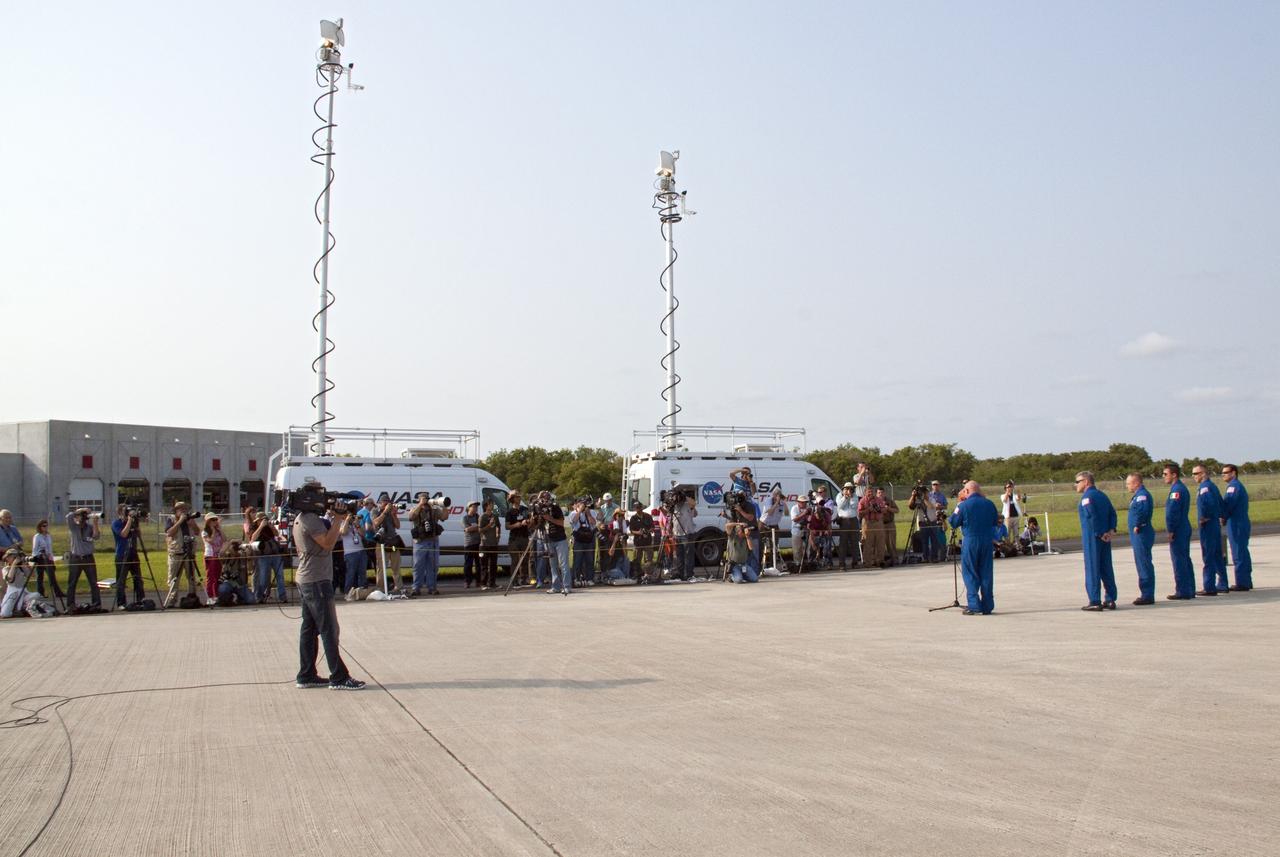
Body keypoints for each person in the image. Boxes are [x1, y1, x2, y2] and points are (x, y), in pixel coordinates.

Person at [291, 486, 364, 690]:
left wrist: (334, 517)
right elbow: (327, 543)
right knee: (329, 629)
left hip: (308, 579)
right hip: (316, 580)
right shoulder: (310, 519)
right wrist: (339, 518)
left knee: (310, 629)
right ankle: (339, 677)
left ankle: (306, 675)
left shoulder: (303, 517)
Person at [948, 481, 999, 614]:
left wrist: (959, 503)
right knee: (986, 573)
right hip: (987, 541)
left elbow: (953, 522)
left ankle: (974, 605)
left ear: (967, 491)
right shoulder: (989, 503)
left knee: (970, 572)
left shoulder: (963, 505)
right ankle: (987, 605)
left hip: (971, 541)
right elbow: (995, 521)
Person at [1076, 471, 1118, 611]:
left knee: (1093, 568)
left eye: (1078, 481)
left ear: (1086, 482)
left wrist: (1100, 533)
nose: (1076, 484)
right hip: (1105, 537)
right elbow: (1112, 513)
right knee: (1106, 568)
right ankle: (1110, 599)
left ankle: (1095, 600)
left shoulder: (1086, 498)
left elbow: (1091, 516)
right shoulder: (1102, 495)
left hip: (1093, 538)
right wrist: (1110, 530)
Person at [1191, 464, 1228, 596]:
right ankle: (1223, 583)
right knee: (1217, 555)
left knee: (1208, 556)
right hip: (1214, 524)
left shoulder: (1205, 487)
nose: (1194, 476)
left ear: (1203, 473)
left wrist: (1205, 517)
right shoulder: (1211, 486)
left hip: (1208, 525)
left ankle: (1209, 586)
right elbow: (1221, 503)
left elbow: (1210, 503)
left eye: (1196, 473)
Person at [1162, 463, 1196, 600]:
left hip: (1179, 528)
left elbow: (1173, 512)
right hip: (1183, 526)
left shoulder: (1177, 490)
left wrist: (1171, 530)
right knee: (1184, 558)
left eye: (1165, 474)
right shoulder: (1180, 488)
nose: (1163, 477)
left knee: (1179, 560)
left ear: (1174, 474)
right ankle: (1189, 588)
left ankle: (1183, 590)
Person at [1220, 464, 1252, 591]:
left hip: (1236, 523)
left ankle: (1242, 582)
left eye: (1226, 472)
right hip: (1239, 521)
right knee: (1242, 551)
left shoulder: (1233, 487)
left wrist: (1223, 517)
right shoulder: (1235, 486)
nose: (1223, 475)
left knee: (1238, 552)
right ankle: (1246, 580)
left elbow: (1229, 505)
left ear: (1233, 473)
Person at [1124, 474, 1156, 604]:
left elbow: (1143, 511)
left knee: (1144, 563)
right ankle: (1146, 593)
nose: (1127, 486)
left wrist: (1138, 524)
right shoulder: (1138, 495)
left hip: (1142, 533)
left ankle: (1147, 594)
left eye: (1129, 483)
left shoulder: (1142, 495)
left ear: (1136, 483)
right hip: (1138, 533)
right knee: (1141, 562)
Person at [409, 493, 446, 596]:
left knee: (433, 566)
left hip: (433, 541)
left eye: (427, 498)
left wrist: (444, 506)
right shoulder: (415, 508)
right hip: (420, 542)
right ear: (419, 500)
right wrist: (420, 505)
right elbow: (411, 517)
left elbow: (444, 517)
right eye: (423, 498)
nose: (426, 500)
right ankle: (416, 588)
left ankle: (432, 587)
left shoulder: (434, 509)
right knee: (418, 565)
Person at [65, 507, 102, 611]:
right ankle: (70, 604)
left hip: (88, 558)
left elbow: (96, 536)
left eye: (84, 517)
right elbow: (68, 516)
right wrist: (81, 510)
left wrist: (95, 522)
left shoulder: (89, 527)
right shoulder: (73, 527)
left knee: (93, 582)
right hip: (75, 557)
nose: (82, 519)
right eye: (81, 516)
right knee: (72, 583)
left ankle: (96, 603)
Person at [2, 549, 57, 618]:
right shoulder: (6, 568)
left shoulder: (21, 567)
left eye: (16, 557)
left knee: (36, 595)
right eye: (14, 557)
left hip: (23, 592)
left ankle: (28, 608)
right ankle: (20, 609)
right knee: (5, 614)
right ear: (7, 558)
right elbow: (9, 579)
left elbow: (32, 575)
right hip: (12, 593)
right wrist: (14, 565)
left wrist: (25, 564)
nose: (16, 558)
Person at [109, 506, 145, 609]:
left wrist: (136, 523)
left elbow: (138, 535)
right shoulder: (116, 523)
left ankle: (141, 599)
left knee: (138, 578)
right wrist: (129, 521)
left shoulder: (133, 522)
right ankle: (121, 602)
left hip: (133, 554)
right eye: (126, 512)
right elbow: (124, 534)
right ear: (120, 513)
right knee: (121, 580)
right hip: (121, 555)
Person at [535, 491, 570, 595]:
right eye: (543, 498)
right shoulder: (541, 509)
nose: (544, 500)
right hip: (549, 539)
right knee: (552, 565)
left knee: (563, 564)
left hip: (560, 539)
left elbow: (561, 522)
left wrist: (549, 518)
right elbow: (536, 512)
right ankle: (556, 586)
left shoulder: (555, 507)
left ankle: (567, 586)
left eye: (546, 498)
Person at [251, 512, 288, 603]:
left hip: (275, 554)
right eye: (261, 520)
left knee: (280, 576)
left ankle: (282, 597)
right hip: (263, 556)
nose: (264, 521)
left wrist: (271, 526)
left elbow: (277, 534)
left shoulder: (269, 527)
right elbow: (252, 538)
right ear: (257, 521)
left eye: (265, 519)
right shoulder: (255, 528)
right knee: (263, 578)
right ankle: (259, 596)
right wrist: (261, 526)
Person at [338, 503, 368, 601]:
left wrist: (357, 525)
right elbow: (343, 532)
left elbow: (363, 534)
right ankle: (347, 593)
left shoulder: (355, 524)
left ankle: (362, 592)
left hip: (361, 551)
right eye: (348, 515)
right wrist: (346, 520)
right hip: (350, 553)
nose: (350, 517)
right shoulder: (341, 523)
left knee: (362, 573)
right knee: (351, 573)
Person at [372, 496, 402, 591]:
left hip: (392, 543)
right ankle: (380, 588)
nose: (387, 505)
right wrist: (385, 512)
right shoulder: (375, 511)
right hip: (382, 543)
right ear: (380, 503)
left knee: (395, 565)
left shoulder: (391, 512)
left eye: (388, 503)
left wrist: (394, 514)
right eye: (385, 503)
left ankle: (399, 587)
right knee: (381, 566)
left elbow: (398, 526)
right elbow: (375, 523)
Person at [31, 519, 64, 604]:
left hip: (48, 558)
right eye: (43, 526)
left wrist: (51, 559)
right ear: (40, 527)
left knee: (52, 576)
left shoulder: (48, 536)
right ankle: (40, 593)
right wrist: (38, 556)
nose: (45, 528)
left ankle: (58, 592)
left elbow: (50, 549)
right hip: (40, 558)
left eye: (46, 526)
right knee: (40, 577)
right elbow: (35, 549)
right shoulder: (37, 536)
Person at [215, 541, 258, 606]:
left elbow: (250, 569)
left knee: (251, 600)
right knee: (223, 589)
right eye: (234, 549)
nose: (235, 551)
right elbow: (221, 552)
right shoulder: (226, 557)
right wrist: (231, 542)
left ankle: (240, 599)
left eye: (237, 549)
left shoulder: (243, 557)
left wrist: (249, 555)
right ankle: (227, 598)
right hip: (228, 582)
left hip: (241, 584)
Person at [505, 491, 532, 587]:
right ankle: (514, 581)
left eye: (519, 497)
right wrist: (516, 525)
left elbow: (530, 519)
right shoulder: (509, 512)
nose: (519, 498)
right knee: (515, 560)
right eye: (517, 497)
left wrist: (528, 521)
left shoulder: (524, 509)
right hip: (514, 539)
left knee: (525, 559)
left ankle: (524, 579)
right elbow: (507, 526)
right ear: (512, 499)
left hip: (524, 537)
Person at [670, 491, 698, 581]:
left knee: (688, 555)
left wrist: (683, 496)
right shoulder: (673, 506)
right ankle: (679, 573)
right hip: (677, 534)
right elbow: (668, 513)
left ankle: (688, 574)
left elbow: (694, 505)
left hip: (687, 534)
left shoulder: (688, 505)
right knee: (678, 555)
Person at [568, 498, 596, 588]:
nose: (584, 506)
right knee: (577, 560)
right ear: (577, 504)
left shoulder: (590, 512)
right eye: (582, 504)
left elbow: (594, 523)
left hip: (589, 539)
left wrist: (588, 514)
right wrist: (579, 511)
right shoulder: (573, 513)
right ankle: (576, 578)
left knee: (590, 560)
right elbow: (573, 521)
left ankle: (589, 578)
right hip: (578, 539)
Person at [858, 488, 887, 569]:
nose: (870, 493)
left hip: (878, 523)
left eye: (872, 492)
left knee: (880, 543)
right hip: (868, 523)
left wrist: (879, 509)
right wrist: (868, 510)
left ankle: (880, 561)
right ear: (865, 493)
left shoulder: (879, 500)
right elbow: (859, 513)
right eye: (869, 492)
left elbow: (884, 510)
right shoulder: (862, 501)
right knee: (868, 543)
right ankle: (868, 562)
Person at [628, 501, 656, 580]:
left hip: (647, 540)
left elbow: (653, 527)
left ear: (641, 507)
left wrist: (648, 531)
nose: (638, 509)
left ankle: (648, 574)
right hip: (638, 541)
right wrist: (639, 532)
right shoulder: (633, 518)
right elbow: (631, 530)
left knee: (649, 559)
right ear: (634, 508)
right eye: (636, 508)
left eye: (639, 507)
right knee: (637, 559)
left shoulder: (648, 516)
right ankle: (638, 574)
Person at [477, 499, 501, 589]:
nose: (492, 506)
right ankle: (483, 583)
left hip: (493, 544)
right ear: (486, 506)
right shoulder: (482, 517)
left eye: (492, 504)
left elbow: (498, 526)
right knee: (484, 565)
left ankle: (492, 583)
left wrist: (498, 535)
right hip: (484, 544)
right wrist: (489, 525)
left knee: (493, 565)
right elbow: (479, 530)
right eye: (491, 504)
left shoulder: (495, 516)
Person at [201, 515, 225, 602]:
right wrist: (214, 531)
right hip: (210, 555)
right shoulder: (205, 532)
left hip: (218, 556)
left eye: (216, 520)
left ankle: (216, 595)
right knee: (211, 576)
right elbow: (210, 541)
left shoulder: (218, 530)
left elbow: (225, 539)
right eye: (213, 520)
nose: (215, 521)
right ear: (208, 521)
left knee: (217, 576)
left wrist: (220, 528)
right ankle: (210, 596)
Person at [761, 488, 786, 570]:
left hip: (774, 525)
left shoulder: (782, 503)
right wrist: (776, 503)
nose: (778, 497)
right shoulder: (769, 500)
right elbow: (770, 512)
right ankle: (760, 564)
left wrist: (784, 503)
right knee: (761, 545)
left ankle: (772, 565)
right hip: (764, 524)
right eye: (776, 495)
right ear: (774, 495)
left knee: (774, 547)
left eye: (779, 495)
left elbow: (787, 513)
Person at [462, 501, 482, 589]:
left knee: (478, 564)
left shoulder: (478, 517)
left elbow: (482, 527)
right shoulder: (465, 518)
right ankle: (467, 581)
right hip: (469, 544)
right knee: (468, 564)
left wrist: (475, 527)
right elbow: (467, 529)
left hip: (478, 543)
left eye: (476, 507)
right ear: (469, 508)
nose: (475, 509)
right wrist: (477, 527)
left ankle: (478, 581)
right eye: (473, 507)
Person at [789, 496, 810, 569]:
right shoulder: (794, 508)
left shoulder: (808, 508)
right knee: (797, 549)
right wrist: (804, 513)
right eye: (802, 502)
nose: (804, 504)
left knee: (808, 548)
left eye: (805, 502)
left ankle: (807, 564)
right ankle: (797, 565)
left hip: (806, 530)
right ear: (798, 502)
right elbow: (794, 519)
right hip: (796, 530)